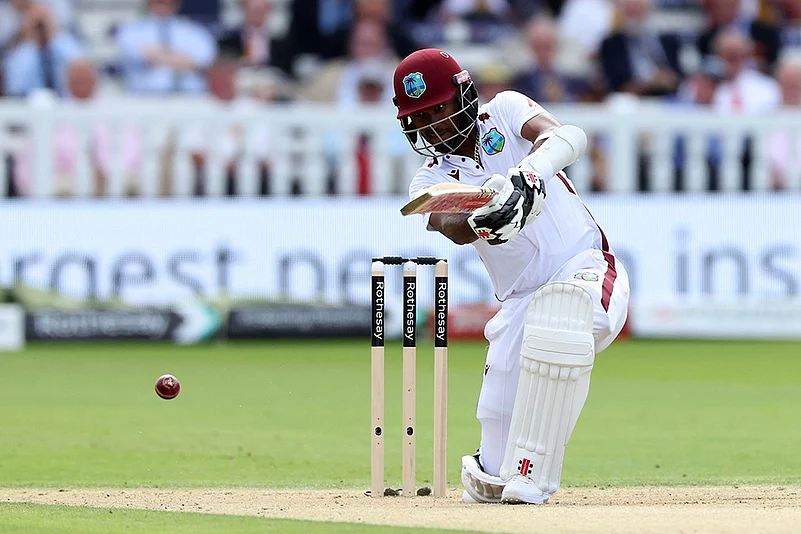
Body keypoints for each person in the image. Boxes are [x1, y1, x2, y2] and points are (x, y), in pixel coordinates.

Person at [393, 49, 630, 504]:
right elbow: (450, 226)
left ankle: (535, 476)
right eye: (420, 117)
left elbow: (566, 136)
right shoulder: (427, 180)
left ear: (463, 95)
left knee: (561, 322)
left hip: (587, 266)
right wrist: (488, 217)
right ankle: (497, 470)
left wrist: (526, 177)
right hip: (520, 300)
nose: (433, 125)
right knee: (494, 457)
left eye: (438, 108)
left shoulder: (503, 111)